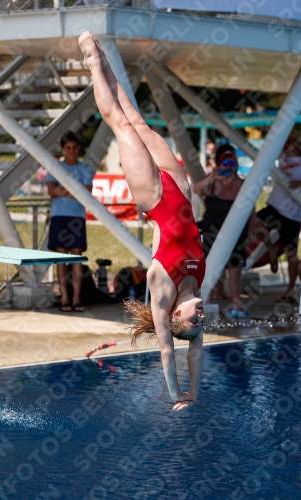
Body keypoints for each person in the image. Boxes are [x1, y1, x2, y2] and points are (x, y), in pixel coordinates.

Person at [79, 32, 205, 411]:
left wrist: (177, 395)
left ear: (175, 318)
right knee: (137, 117)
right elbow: (196, 350)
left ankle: (91, 60)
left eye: (195, 318)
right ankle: (108, 61)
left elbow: (170, 351)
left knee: (120, 122)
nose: (202, 315)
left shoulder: (162, 294)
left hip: (155, 196)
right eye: (202, 318)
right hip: (179, 189)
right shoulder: (199, 286)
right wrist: (196, 392)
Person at [252, 129, 301, 303]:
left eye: (289, 142)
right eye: (286, 142)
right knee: (255, 222)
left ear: (297, 144)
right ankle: (271, 248)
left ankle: (290, 290)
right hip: (274, 205)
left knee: (292, 254)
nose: (286, 145)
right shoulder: (281, 159)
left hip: (292, 214)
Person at [193, 144, 255, 317]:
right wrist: (213, 176)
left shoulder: (243, 184)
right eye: (225, 163)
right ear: (219, 164)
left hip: (237, 234)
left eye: (232, 163)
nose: (229, 167)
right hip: (212, 231)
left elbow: (251, 211)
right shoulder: (213, 183)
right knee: (211, 268)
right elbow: (195, 189)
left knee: (235, 270)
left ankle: (237, 305)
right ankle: (207, 302)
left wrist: (250, 234)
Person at [47, 131, 94, 313]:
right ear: (62, 149)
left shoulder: (85, 168)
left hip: (77, 217)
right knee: (61, 256)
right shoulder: (55, 167)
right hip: (59, 216)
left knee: (76, 256)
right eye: (68, 148)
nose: (71, 151)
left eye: (74, 147)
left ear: (79, 148)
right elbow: (51, 191)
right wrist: (75, 189)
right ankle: (64, 297)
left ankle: (76, 298)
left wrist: (63, 189)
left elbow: (86, 193)